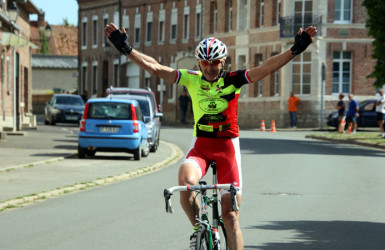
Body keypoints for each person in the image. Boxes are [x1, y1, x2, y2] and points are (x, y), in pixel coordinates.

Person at [104, 23, 317, 250]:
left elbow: (266, 68)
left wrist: (295, 50)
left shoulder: (234, 80)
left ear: (222, 62)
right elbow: (156, 68)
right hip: (201, 148)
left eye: (215, 62)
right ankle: (198, 230)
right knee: (186, 185)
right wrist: (127, 50)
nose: (210, 67)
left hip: (228, 150)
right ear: (199, 63)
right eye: (205, 62)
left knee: (231, 217)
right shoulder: (191, 79)